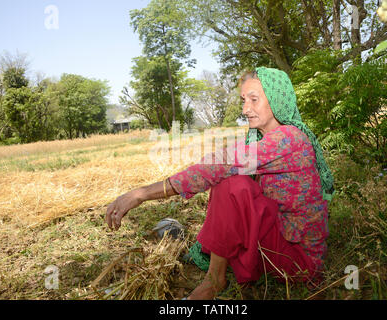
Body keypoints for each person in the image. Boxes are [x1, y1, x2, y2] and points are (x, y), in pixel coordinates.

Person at [105, 67, 335, 300]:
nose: (246, 109)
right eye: (244, 100)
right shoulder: (268, 139)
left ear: (275, 99)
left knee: (231, 184)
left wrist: (142, 193)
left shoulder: (289, 139)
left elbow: (220, 165)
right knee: (237, 182)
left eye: (254, 100)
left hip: (298, 261)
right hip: (280, 244)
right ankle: (208, 256)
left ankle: (213, 282)